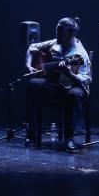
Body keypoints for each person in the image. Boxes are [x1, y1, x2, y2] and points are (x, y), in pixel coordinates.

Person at [24, 17, 92, 151]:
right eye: (57, 32)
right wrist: (28, 65)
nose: (57, 35)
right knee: (32, 84)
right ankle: (31, 133)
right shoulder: (55, 43)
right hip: (56, 85)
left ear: (71, 34)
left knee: (75, 95)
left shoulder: (79, 54)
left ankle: (69, 139)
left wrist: (69, 74)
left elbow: (87, 79)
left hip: (73, 87)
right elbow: (32, 47)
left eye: (61, 33)